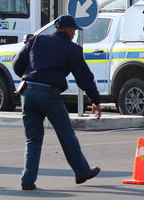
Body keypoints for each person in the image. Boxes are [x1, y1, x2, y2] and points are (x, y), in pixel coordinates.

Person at [13, 14, 102, 190]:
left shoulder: (36, 40)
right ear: (69, 30)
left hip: (28, 93)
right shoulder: (72, 49)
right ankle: (82, 172)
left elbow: (17, 64)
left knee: (33, 139)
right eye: (74, 30)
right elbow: (84, 78)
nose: (75, 34)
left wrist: (30, 79)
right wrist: (95, 100)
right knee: (66, 134)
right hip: (49, 95)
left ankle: (27, 180)